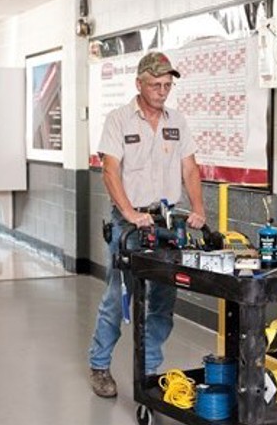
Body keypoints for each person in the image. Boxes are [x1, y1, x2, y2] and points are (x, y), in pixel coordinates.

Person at [88, 51, 206, 398]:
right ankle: (99, 365)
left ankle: (148, 368)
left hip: (166, 224)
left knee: (163, 301)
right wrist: (128, 212)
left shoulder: (177, 121)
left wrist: (198, 209)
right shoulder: (119, 120)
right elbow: (110, 170)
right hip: (129, 224)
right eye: (156, 85)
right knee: (118, 297)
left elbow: (190, 168)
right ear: (139, 83)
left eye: (167, 85)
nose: (162, 91)